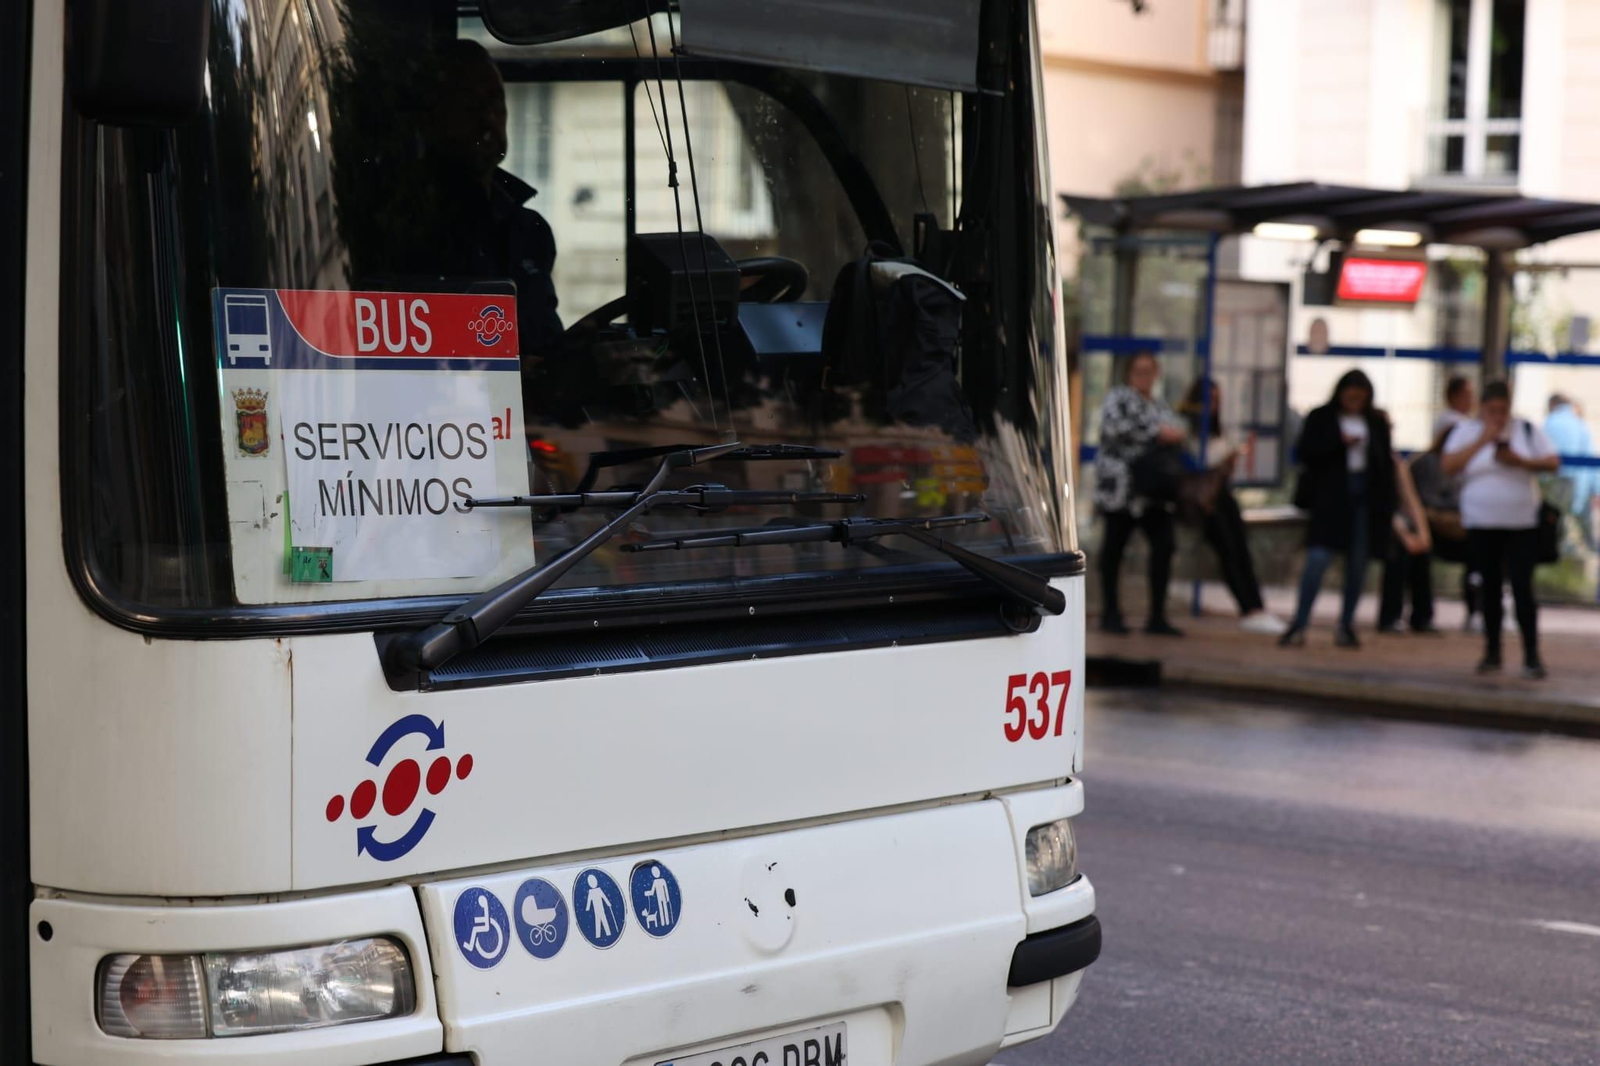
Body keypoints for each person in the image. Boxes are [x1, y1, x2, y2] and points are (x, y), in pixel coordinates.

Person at [412, 39, 564, 349]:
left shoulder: (530, 230)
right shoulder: (416, 225)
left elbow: (545, 337)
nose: (488, 119)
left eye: (496, 102)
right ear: (431, 120)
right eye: (469, 106)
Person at [1443, 381, 1560, 678]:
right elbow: (1448, 465)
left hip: (1520, 522)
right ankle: (1492, 651)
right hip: (1481, 521)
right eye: (1492, 409)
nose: (1498, 415)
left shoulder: (1527, 430)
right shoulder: (1467, 431)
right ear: (1483, 407)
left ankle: (1531, 655)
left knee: (1522, 586)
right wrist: (1484, 439)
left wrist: (1520, 461)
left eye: (1503, 410)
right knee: (1490, 586)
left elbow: (1552, 462)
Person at [1280, 369, 1397, 648]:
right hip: (1331, 498)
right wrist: (1338, 443)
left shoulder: (1375, 422)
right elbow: (1306, 452)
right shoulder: (1322, 417)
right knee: (1318, 558)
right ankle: (1300, 621)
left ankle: (1346, 624)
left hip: (1363, 499)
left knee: (1357, 564)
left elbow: (1384, 466)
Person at [1177, 377, 1287, 635]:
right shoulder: (1186, 432)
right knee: (1228, 552)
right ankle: (1248, 608)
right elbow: (1193, 466)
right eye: (1206, 400)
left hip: (1222, 497)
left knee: (1241, 551)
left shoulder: (1218, 430)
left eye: (1215, 400)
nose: (1211, 406)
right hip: (1204, 502)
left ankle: (1256, 607)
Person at [1095, 352, 1185, 636]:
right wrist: (1156, 432)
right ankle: (1110, 613)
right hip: (1122, 491)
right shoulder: (1118, 398)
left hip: (1153, 493)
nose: (1144, 376)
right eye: (1138, 371)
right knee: (1114, 550)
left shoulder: (1159, 405)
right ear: (1129, 372)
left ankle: (1157, 616)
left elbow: (1180, 433)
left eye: (1149, 371)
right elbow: (1111, 429)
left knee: (1164, 548)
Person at [1377, 420, 1436, 634]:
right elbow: (1379, 506)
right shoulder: (1367, 459)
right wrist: (1404, 534)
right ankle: (1389, 617)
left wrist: (1423, 535)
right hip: (1374, 522)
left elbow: (1411, 500)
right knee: (1398, 548)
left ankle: (1422, 617)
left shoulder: (1395, 461)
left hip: (1396, 521)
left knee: (1422, 551)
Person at [1544, 393, 1594, 536]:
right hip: (1579, 481)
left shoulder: (1549, 421)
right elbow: (1589, 453)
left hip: (1555, 480)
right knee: (1580, 527)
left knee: (1559, 524)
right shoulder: (1580, 424)